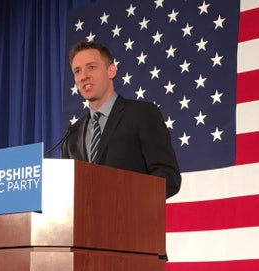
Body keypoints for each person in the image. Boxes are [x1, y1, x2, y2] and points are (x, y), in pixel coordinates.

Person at [61, 41, 181, 198]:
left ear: (111, 71)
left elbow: (168, 178)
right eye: (77, 71)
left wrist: (122, 199)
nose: (83, 76)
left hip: (132, 219)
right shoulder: (72, 134)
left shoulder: (142, 114)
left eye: (91, 67)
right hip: (86, 222)